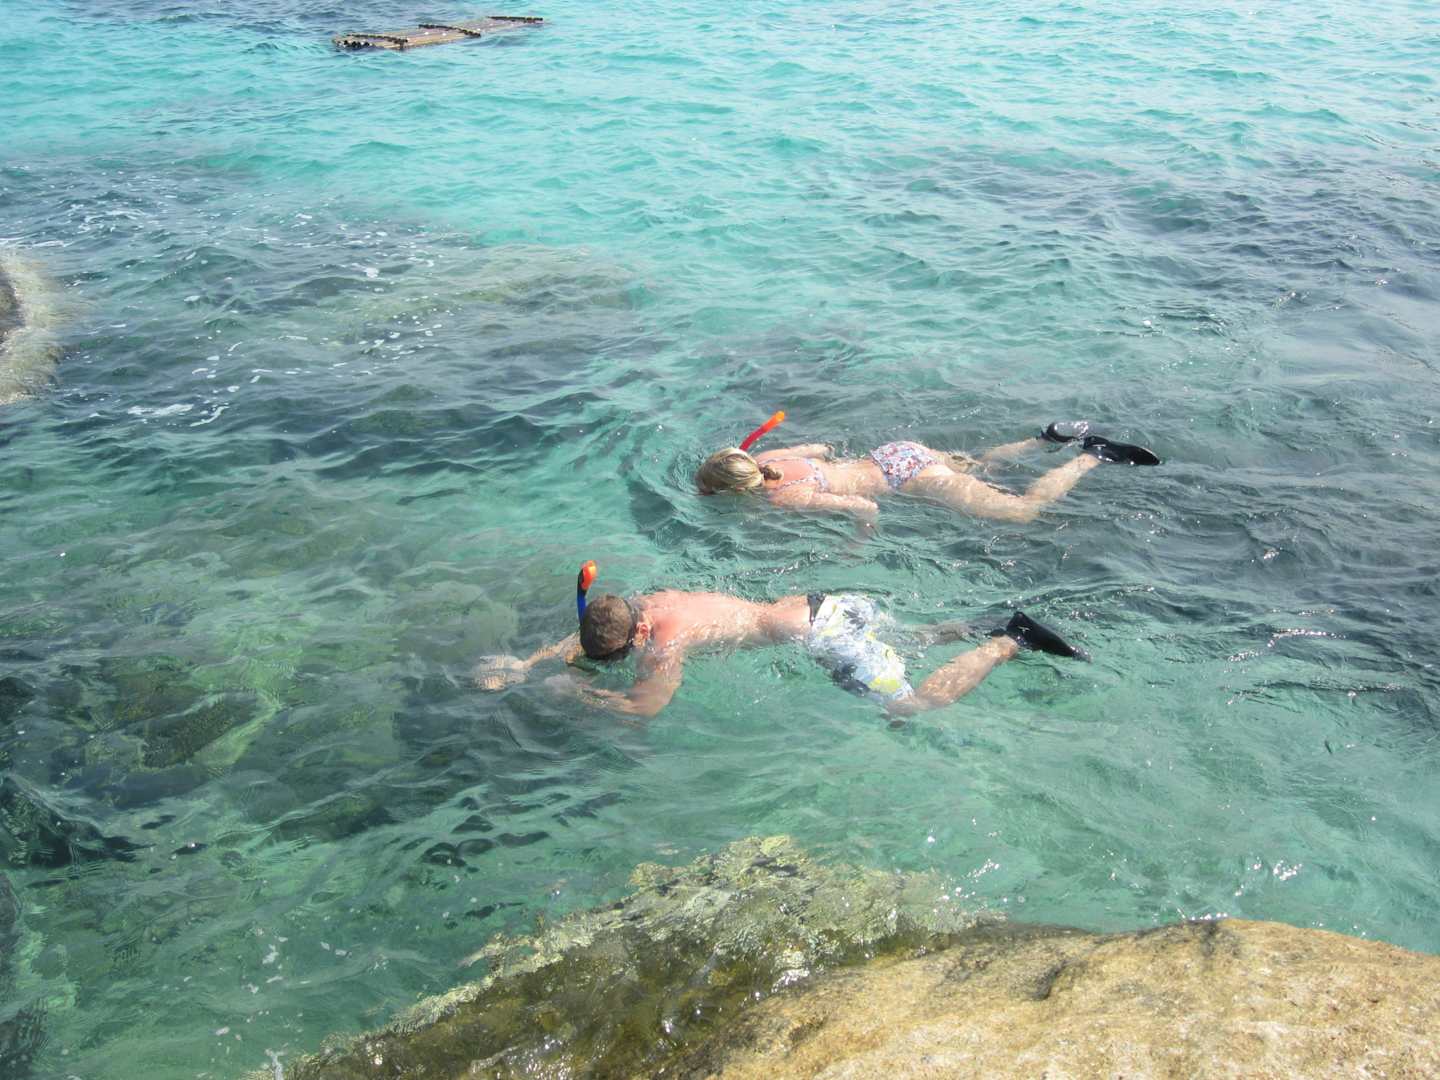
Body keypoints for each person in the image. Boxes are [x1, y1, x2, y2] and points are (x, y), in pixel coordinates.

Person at [474, 563, 1089, 720]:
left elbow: (647, 706)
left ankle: (1008, 640)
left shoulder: (664, 641)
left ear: (636, 634)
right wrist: (526, 662)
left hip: (822, 635)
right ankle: (971, 627)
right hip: (826, 604)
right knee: (904, 644)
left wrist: (574, 695)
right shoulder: (646, 603)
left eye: (622, 654)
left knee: (911, 706)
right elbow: (589, 631)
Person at [695, 418, 1159, 525]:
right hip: (896, 453)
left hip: (906, 479)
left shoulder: (783, 497)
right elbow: (822, 447)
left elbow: (865, 507)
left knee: (1022, 512)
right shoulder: (772, 456)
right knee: (978, 465)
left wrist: (855, 544)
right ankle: (1046, 439)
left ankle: (1094, 454)